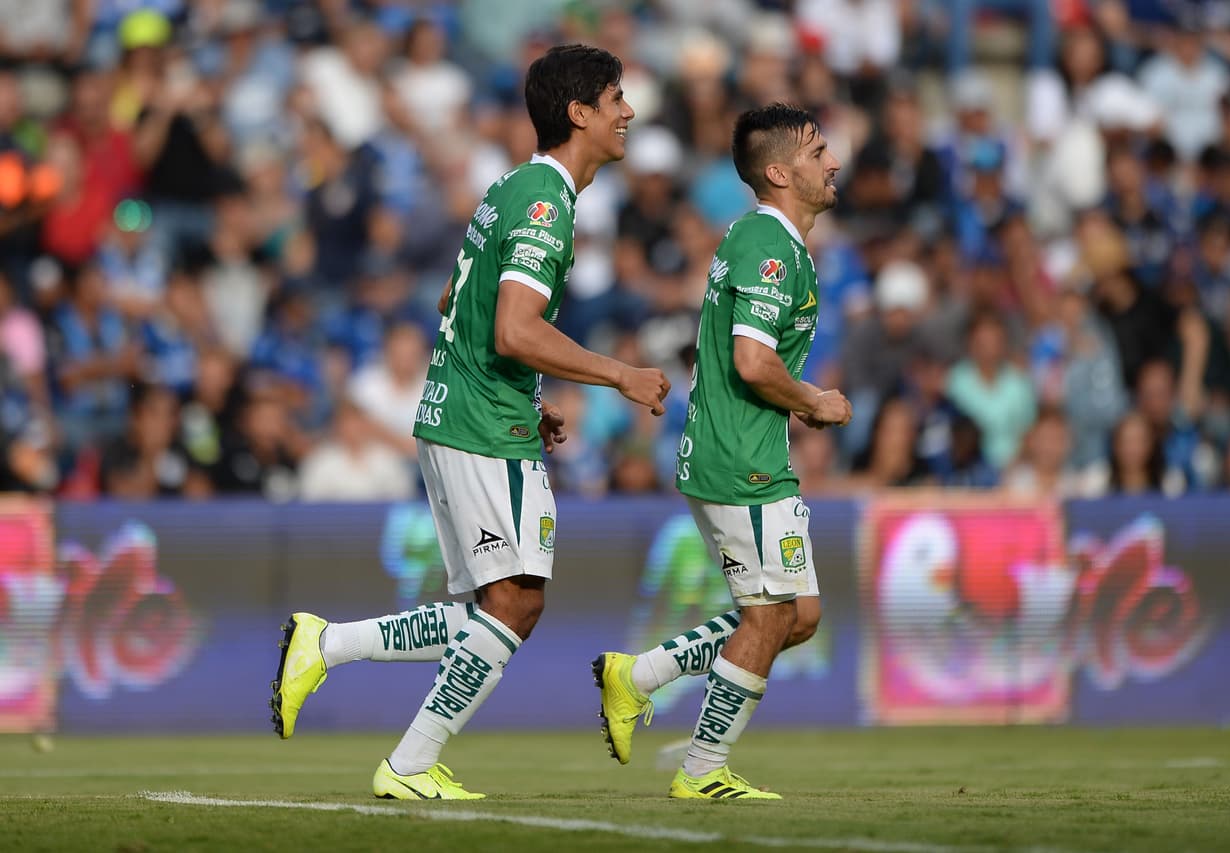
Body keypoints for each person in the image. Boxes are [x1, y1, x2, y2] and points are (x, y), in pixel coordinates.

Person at [269, 44, 670, 801]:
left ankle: (328, 643)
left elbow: (461, 305)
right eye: (617, 98)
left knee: (494, 608)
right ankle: (409, 762)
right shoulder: (546, 203)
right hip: (481, 424)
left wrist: (531, 392)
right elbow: (514, 326)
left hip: (470, 410)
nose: (629, 112)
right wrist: (617, 372)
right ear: (579, 113)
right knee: (516, 603)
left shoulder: (513, 190)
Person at [594, 104, 851, 800]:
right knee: (771, 617)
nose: (833, 160)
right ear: (779, 171)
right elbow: (752, 361)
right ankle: (703, 769)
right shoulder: (766, 247)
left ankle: (639, 675)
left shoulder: (777, 244)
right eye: (819, 149)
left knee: (800, 615)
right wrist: (814, 400)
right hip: (742, 459)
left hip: (748, 451)